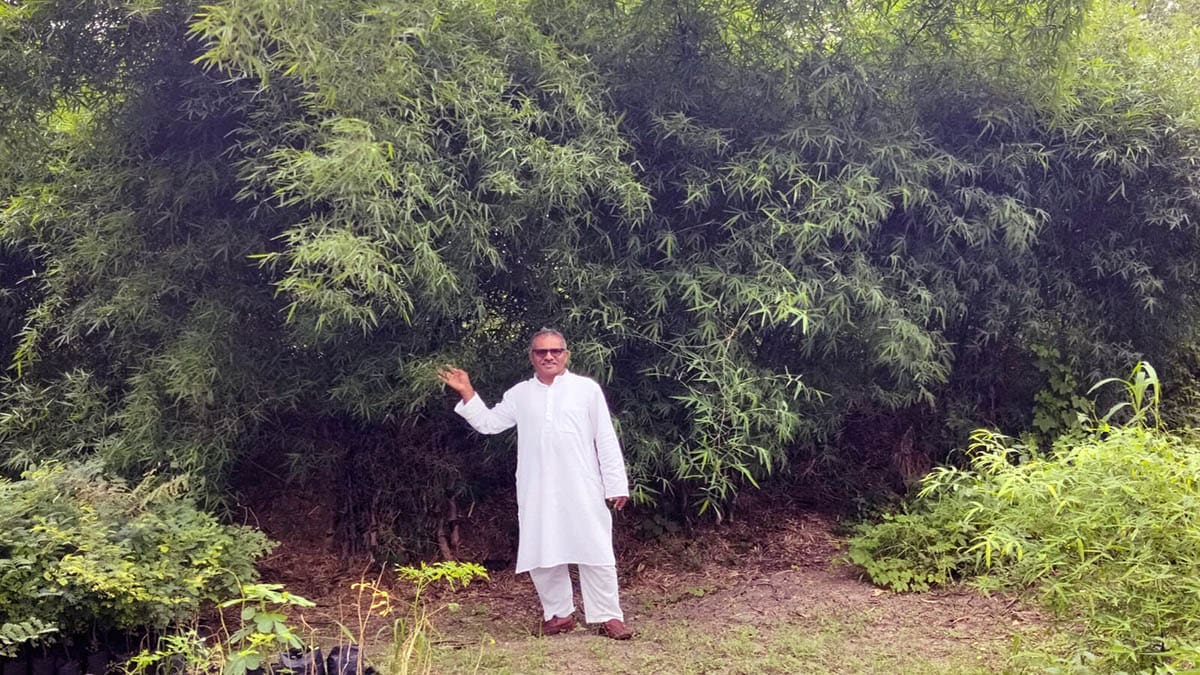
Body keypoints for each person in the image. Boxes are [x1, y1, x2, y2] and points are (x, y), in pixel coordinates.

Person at [437, 328, 634, 640]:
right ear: (532, 357)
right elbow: (490, 424)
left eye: (555, 351)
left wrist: (616, 483)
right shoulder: (520, 394)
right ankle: (559, 614)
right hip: (537, 486)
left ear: (566, 354)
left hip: (583, 484)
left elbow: (605, 438)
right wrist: (467, 392)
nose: (549, 356)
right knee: (543, 549)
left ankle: (609, 616)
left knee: (595, 547)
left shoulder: (586, 390)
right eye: (542, 352)